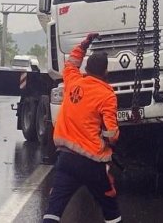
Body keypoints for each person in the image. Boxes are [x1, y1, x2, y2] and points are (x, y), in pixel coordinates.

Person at [43, 33, 121, 223]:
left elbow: (71, 63)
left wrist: (85, 43)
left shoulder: (72, 82)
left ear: (86, 68)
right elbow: (112, 134)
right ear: (105, 72)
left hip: (66, 159)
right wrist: (112, 138)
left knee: (54, 209)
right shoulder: (107, 95)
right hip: (92, 163)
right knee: (110, 207)